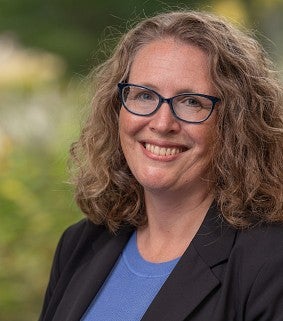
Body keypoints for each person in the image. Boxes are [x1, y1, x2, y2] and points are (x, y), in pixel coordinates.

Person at [38, 9, 283, 321]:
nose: (162, 122)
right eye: (143, 95)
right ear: (117, 109)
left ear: (235, 123)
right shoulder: (80, 245)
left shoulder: (270, 262)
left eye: (192, 101)